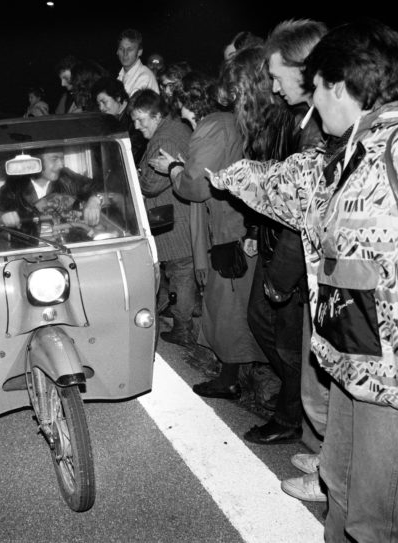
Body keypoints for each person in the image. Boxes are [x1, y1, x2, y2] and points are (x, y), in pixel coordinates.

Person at [208, 20, 398, 542]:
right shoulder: (346, 155)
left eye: (313, 89)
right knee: (341, 493)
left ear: (338, 85)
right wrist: (219, 176)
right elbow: (281, 185)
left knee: (380, 522)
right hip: (352, 370)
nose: (307, 103)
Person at [150, 50, 268, 398]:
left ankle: (230, 378)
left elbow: (196, 186)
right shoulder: (228, 122)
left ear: (190, 104)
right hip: (233, 225)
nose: (183, 120)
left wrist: (173, 169)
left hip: (227, 230)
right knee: (229, 302)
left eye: (183, 112)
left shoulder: (211, 127)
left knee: (225, 303)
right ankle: (235, 371)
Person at [253, 18, 330, 502]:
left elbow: (301, 215)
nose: (274, 87)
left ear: (308, 71)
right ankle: (325, 458)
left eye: (279, 76)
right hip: (313, 270)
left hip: (314, 271)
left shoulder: (320, 129)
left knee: (319, 376)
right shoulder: (308, 121)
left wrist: (280, 277)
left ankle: (330, 474)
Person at [128, 89, 196, 345]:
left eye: (141, 119)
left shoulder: (165, 139)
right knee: (180, 272)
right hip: (179, 215)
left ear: (156, 115)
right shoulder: (173, 129)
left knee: (181, 272)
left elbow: (151, 184)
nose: (136, 126)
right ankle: (178, 314)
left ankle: (183, 328)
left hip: (177, 220)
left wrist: (140, 173)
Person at [0, 147, 101, 244]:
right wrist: (0, 217)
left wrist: (94, 200)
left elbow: (97, 187)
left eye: (62, 158)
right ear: (36, 161)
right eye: (55, 159)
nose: (61, 165)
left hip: (68, 247)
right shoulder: (14, 187)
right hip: (30, 252)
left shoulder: (67, 178)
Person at [91, 76, 146, 165]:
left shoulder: (134, 121)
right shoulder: (110, 118)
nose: (101, 108)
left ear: (118, 97)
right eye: (98, 104)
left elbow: (130, 156)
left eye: (104, 102)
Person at [116, 28, 159, 97]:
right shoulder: (120, 76)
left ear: (139, 52)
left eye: (129, 49)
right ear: (117, 51)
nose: (125, 54)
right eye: (121, 49)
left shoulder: (144, 77)